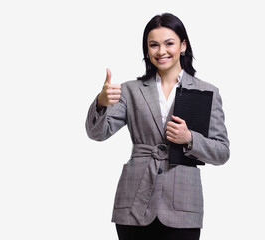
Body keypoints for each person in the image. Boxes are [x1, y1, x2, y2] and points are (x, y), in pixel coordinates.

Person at [85, 12, 230, 240]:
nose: (161, 51)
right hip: (133, 201)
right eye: (153, 45)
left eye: (169, 43)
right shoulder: (130, 90)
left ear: (183, 45)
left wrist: (190, 138)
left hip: (182, 204)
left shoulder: (207, 92)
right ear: (146, 50)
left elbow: (222, 152)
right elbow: (97, 133)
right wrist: (102, 102)